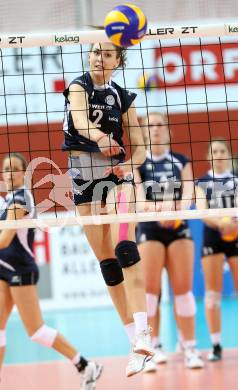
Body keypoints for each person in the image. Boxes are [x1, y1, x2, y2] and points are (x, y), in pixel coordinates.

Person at [62, 42, 154, 377]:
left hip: (116, 176)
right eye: (95, 52)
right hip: (83, 178)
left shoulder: (124, 97)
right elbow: (81, 122)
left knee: (126, 249)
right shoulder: (78, 86)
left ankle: (145, 337)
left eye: (107, 54)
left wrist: (129, 162)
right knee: (108, 267)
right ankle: (135, 345)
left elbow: (141, 148)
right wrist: (102, 139)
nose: (98, 58)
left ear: (118, 61)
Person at [0, 153, 103, 389]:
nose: (9, 173)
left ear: (24, 173)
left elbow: (5, 240)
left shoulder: (20, 199)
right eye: (6, 169)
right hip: (3, 268)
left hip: (20, 269)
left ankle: (86, 365)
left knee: (36, 331)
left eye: (15, 169)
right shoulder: (6, 200)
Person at [135, 112, 204, 371]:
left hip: (178, 227)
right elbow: (139, 201)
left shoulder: (181, 160)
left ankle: (189, 347)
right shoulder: (138, 164)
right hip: (150, 229)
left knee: (183, 290)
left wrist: (176, 210)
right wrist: (162, 210)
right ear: (144, 132)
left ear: (168, 131)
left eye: (159, 125)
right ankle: (155, 347)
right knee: (150, 293)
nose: (154, 129)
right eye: (150, 126)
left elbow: (188, 194)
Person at [196, 139, 238, 361]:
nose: (219, 154)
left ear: (229, 154)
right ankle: (216, 345)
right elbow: (202, 212)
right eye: (215, 151)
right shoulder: (202, 182)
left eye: (223, 150)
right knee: (213, 295)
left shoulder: (236, 180)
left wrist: (233, 224)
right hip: (213, 234)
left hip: (236, 234)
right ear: (208, 156)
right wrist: (222, 223)